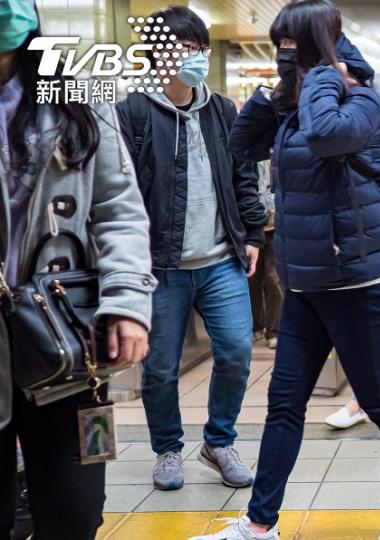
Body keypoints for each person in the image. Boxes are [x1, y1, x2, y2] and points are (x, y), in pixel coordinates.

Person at [197, 2, 380, 539]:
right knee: (284, 404)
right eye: (278, 47)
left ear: (314, 44)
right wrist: (277, 91)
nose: (281, 54)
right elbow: (240, 147)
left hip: (357, 277)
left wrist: (322, 77)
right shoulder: (295, 102)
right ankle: (259, 523)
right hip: (306, 279)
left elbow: (326, 136)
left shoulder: (362, 97)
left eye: (289, 45)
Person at [0, 3, 155, 537]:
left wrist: (128, 304)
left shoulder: (77, 88)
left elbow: (118, 206)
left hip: (65, 339)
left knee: (75, 512)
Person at [117, 5, 267, 492]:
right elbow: (117, 190)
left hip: (221, 257)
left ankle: (219, 441)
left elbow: (244, 176)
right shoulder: (132, 113)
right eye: (181, 49)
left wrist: (251, 235)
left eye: (198, 48)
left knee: (237, 351)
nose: (193, 57)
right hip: (159, 266)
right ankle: (167, 449)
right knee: (159, 366)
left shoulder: (224, 110)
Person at [248, 161, 283, 350]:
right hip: (252, 226)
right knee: (252, 277)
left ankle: (274, 330)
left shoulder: (278, 154)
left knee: (273, 278)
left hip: (276, 225)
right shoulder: (249, 153)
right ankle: (256, 324)